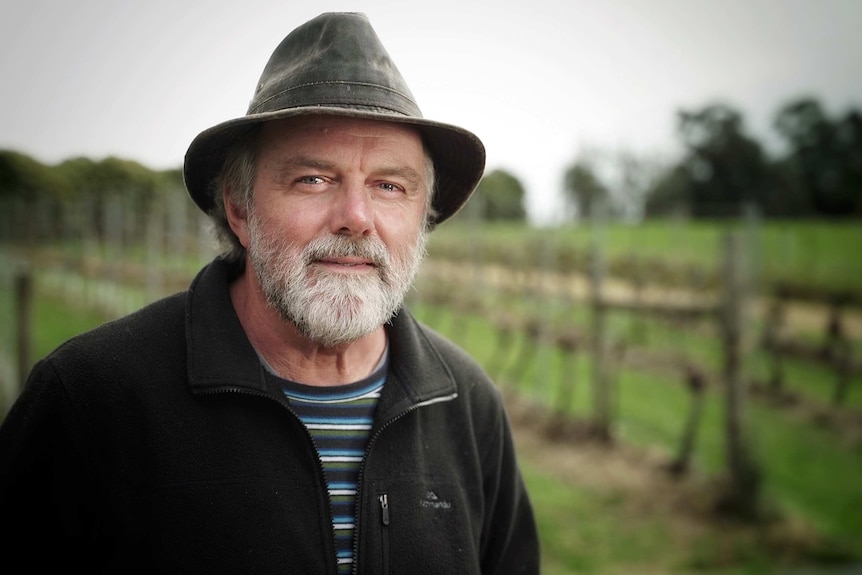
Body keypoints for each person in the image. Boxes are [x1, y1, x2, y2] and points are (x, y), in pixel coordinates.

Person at [0, 12, 539, 574]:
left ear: (421, 217)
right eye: (313, 179)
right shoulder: (91, 400)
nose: (356, 218)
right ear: (239, 208)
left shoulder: (468, 404)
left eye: (389, 186)